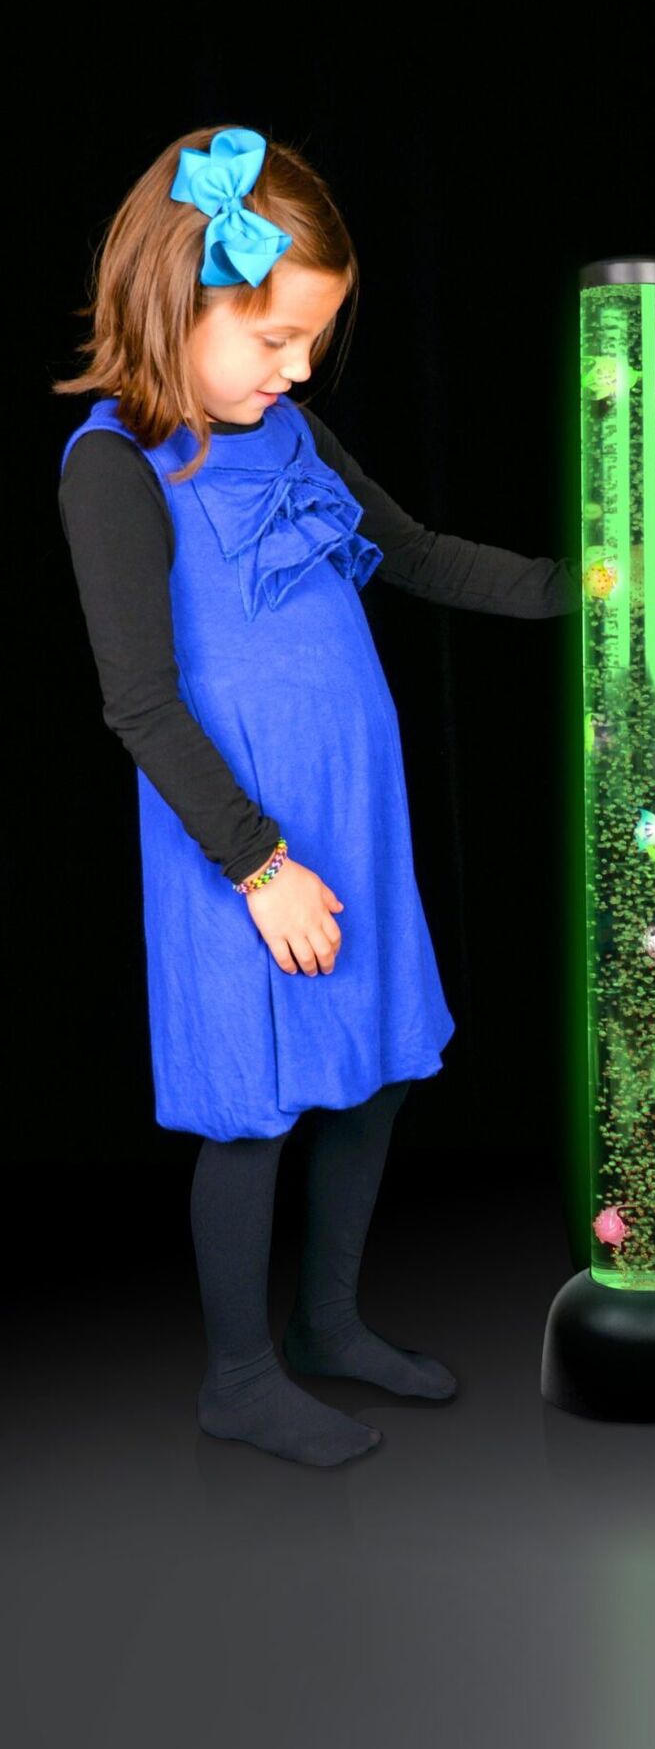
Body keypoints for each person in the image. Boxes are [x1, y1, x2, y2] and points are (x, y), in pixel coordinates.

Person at [54, 124, 625, 1468]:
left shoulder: (291, 432)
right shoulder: (113, 466)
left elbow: (414, 554)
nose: (300, 366)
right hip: (240, 851)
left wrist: (587, 585)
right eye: (275, 338)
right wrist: (259, 867)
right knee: (252, 1111)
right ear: (176, 304)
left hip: (350, 823)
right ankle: (241, 1376)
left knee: (372, 1073)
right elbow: (141, 703)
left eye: (312, 338)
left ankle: (328, 1324)